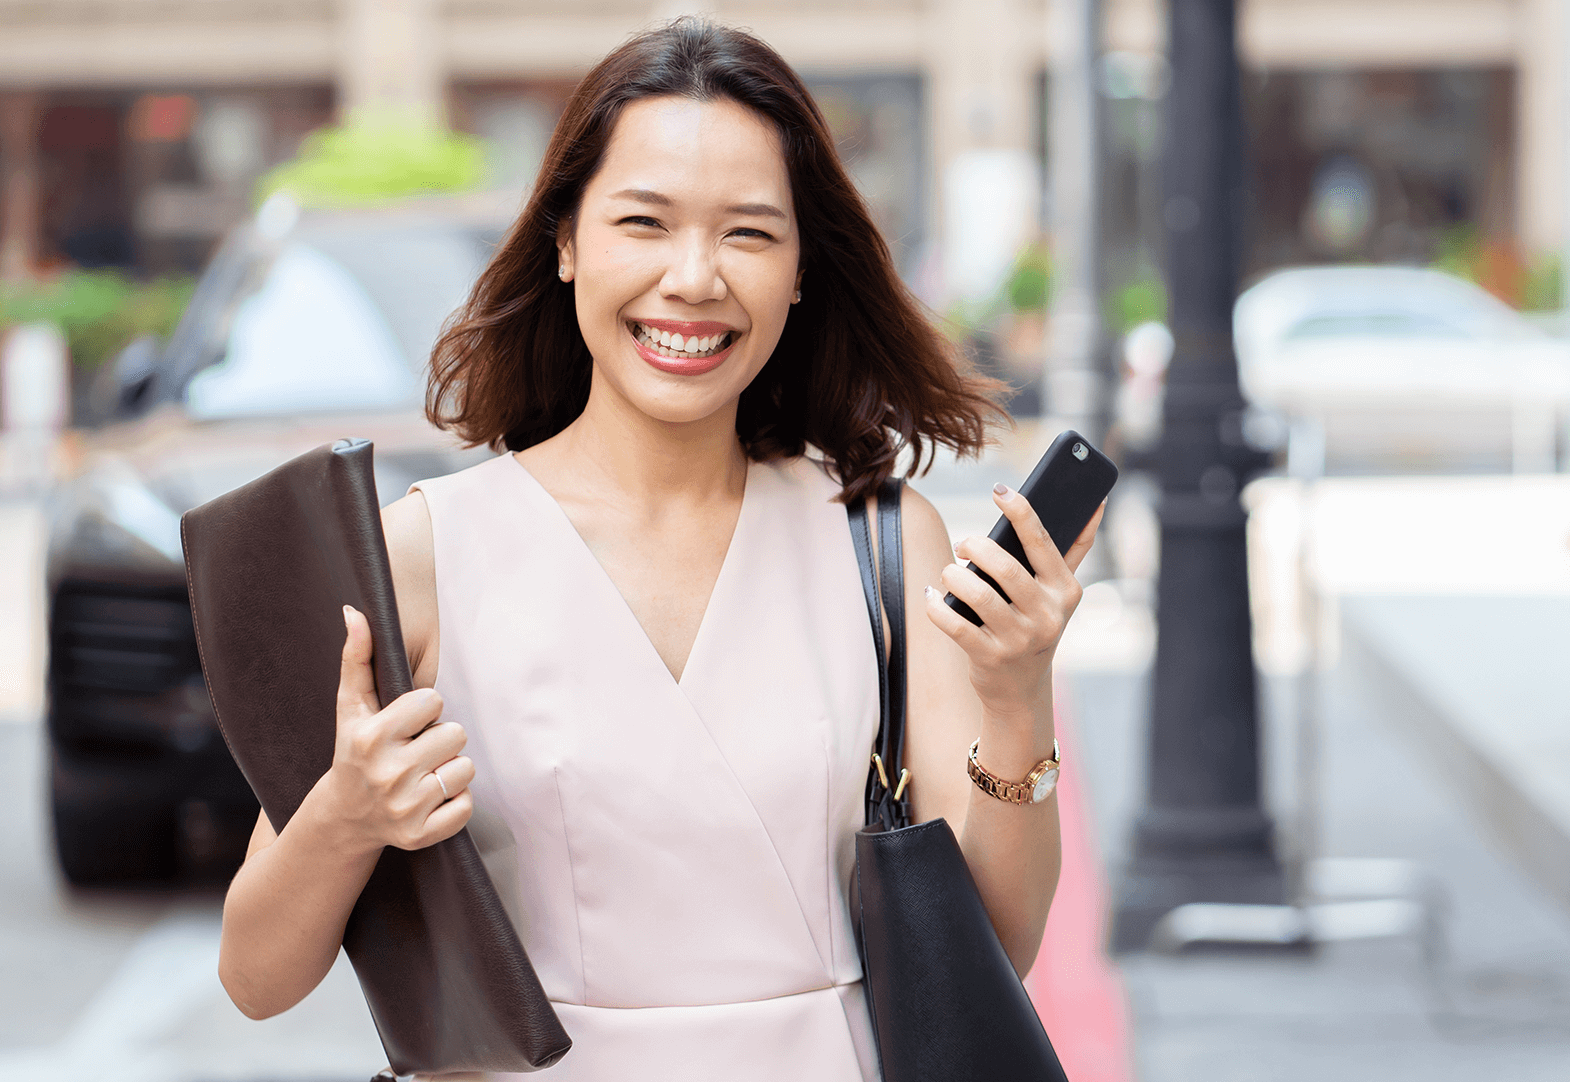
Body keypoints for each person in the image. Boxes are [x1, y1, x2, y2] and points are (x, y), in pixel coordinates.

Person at [215, 18, 1101, 1081]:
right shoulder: (422, 554)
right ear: (565, 239)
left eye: (748, 232)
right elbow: (256, 975)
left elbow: (994, 949)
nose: (693, 278)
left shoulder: (880, 541)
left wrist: (1014, 695)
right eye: (645, 221)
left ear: (802, 269)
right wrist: (348, 816)